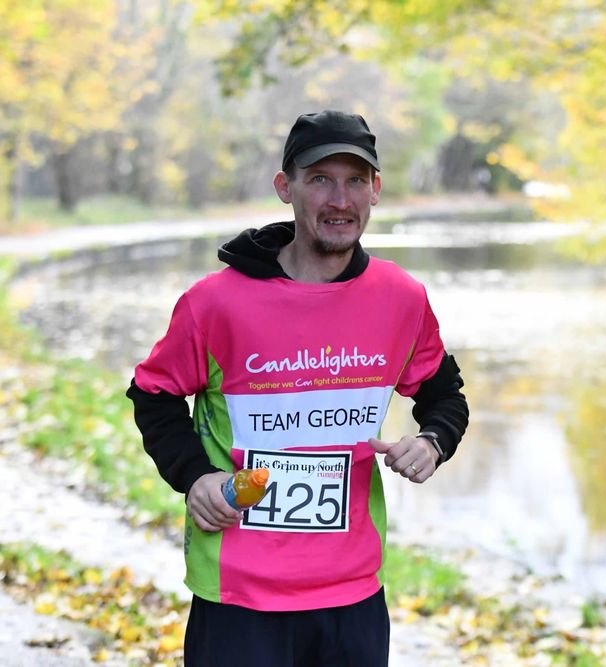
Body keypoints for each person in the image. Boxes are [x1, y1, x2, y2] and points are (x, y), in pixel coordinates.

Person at [126, 110, 469, 666]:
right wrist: (195, 477)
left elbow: (443, 393)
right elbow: (153, 393)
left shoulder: (401, 298)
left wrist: (431, 441)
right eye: (320, 180)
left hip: (352, 593)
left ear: (376, 190)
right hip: (240, 594)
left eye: (356, 180)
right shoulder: (215, 303)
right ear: (285, 187)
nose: (340, 199)